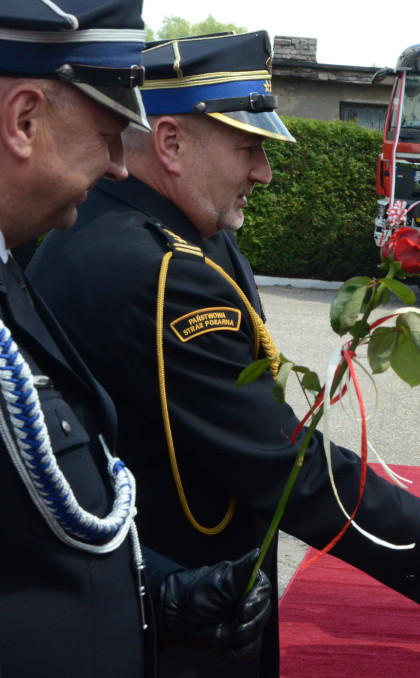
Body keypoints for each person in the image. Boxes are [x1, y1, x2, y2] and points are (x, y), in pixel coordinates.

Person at [26, 31, 420, 678]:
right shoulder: (154, 269)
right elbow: (277, 461)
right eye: (249, 148)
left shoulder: (176, 235)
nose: (263, 172)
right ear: (171, 144)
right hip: (178, 609)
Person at [0, 2, 278, 676]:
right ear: (25, 120)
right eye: (106, 130)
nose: (120, 167)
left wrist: (161, 591)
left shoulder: (15, 272)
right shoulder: (131, 259)